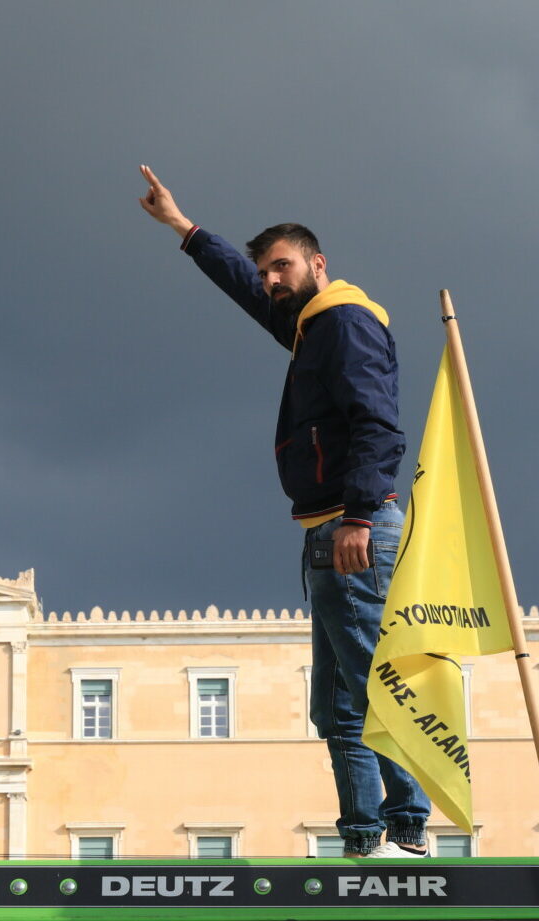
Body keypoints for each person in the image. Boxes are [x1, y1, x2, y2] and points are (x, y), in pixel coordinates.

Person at [138, 165, 429, 858]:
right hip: (326, 531)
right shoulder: (311, 325)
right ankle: (364, 835)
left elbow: (377, 423)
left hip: (353, 527)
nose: (270, 280)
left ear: (316, 264)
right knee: (333, 704)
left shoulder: (345, 322)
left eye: (282, 267)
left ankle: (407, 828)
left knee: (366, 683)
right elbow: (247, 294)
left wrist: (359, 515)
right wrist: (183, 228)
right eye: (265, 270)